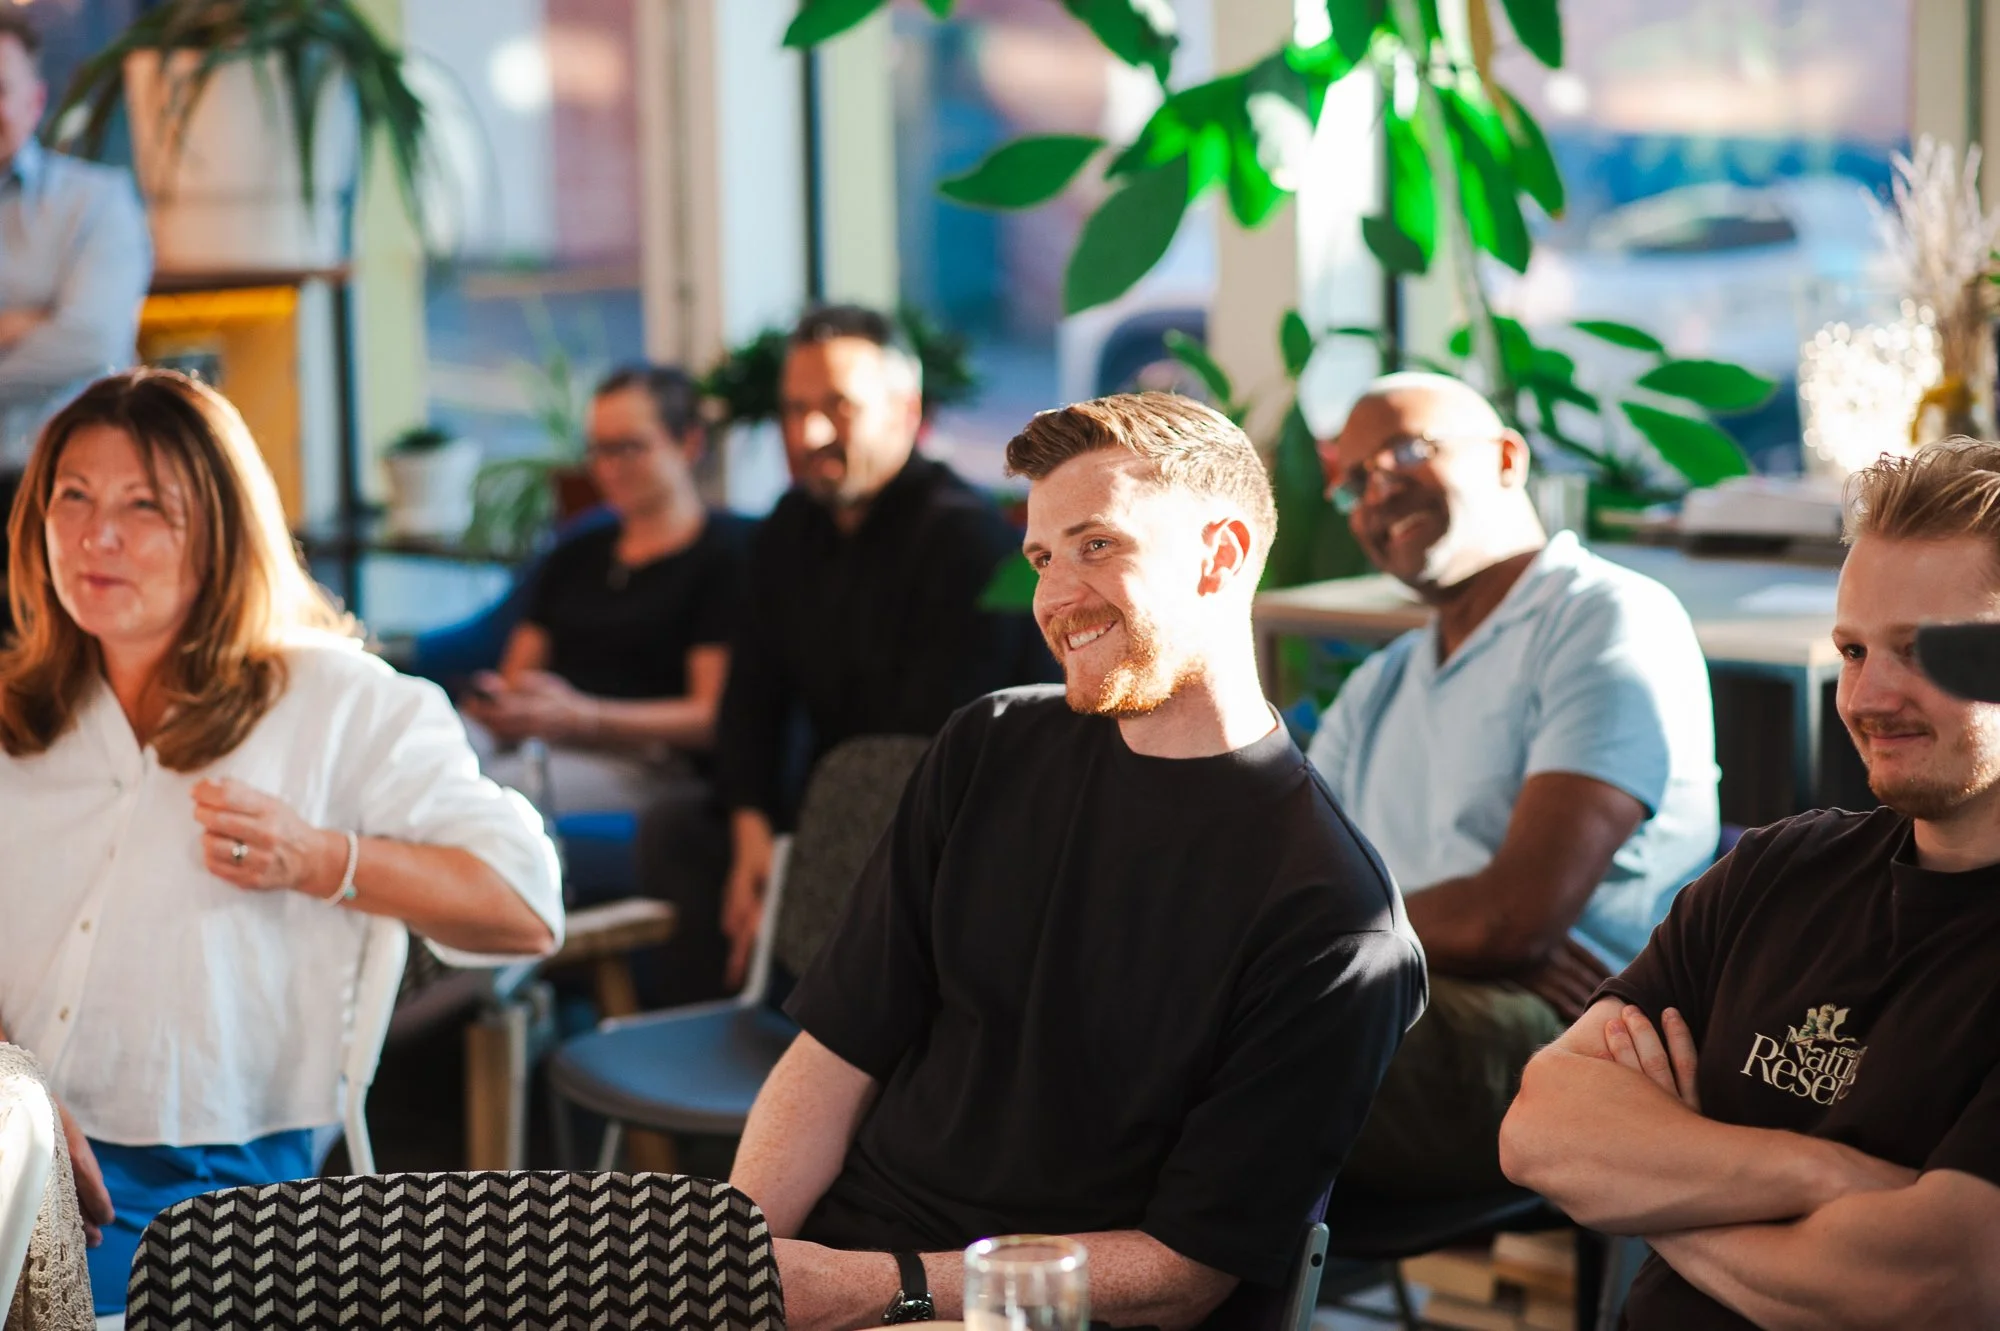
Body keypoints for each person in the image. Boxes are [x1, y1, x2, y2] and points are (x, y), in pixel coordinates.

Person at [730, 393, 1426, 1331]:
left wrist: (871, 1288)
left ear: (1220, 556)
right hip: (839, 1267)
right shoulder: (990, 743)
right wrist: (742, 1269)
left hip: (1036, 1310)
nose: (1054, 598)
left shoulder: (1335, 915)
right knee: (474, 1260)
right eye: (1043, 558)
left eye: (1098, 545)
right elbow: (834, 1052)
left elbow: (1186, 1273)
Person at [0, 370, 562, 1316]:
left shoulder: (341, 702)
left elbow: (524, 906)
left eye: (146, 507)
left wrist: (322, 859)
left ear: (221, 531)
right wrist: (14, 1094)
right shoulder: (18, 714)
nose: (98, 536)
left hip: (204, 1181)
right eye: (74, 498)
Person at [1500, 441, 2000, 1330]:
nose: (1868, 694)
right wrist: (1822, 1177)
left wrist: (1662, 1183)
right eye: (1852, 649)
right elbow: (1541, 1127)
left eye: (1924, 652)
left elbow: (1931, 1281)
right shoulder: (1776, 871)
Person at [1306, 372, 1717, 1198]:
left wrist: (1384, 932)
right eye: (1354, 482)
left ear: (1505, 457)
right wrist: (1429, 932)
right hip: (1398, 995)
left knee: (1244, 1048)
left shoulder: (1607, 619)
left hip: (1567, 1039)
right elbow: (1285, 901)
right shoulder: (1382, 683)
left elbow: (1514, 920)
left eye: (1404, 453)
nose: (1377, 493)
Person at [641, 303, 1049, 1005]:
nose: (809, 433)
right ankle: (719, 1084)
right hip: (822, 801)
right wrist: (751, 833)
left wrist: (799, 853)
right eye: (793, 410)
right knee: (679, 831)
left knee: (864, 832)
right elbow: (750, 700)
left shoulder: (966, 541)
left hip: (940, 824)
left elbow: (926, 752)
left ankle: (819, 1071)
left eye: (838, 407)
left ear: (906, 408)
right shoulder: (785, 530)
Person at [460, 364, 744, 820]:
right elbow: (519, 671)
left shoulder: (720, 557)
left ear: (688, 443)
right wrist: (502, 700)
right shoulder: (578, 550)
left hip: (642, 757)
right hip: (542, 738)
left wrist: (585, 717)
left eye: (628, 447)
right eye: (598, 449)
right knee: (419, 756)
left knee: (487, 797)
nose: (608, 468)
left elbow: (710, 715)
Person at [0, 11, 151, 469]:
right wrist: (30, 322)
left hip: (68, 473)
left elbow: (94, 340)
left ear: (37, 102)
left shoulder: (97, 202)